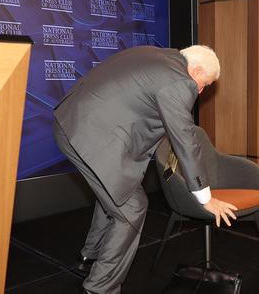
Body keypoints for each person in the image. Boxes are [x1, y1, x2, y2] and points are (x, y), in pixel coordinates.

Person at [53, 45, 238, 294]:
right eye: (203, 84)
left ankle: (89, 255)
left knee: (115, 190)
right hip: (90, 136)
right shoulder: (179, 81)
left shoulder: (158, 56)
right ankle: (99, 288)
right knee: (132, 208)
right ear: (194, 71)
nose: (201, 91)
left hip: (73, 122)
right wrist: (205, 198)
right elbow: (185, 138)